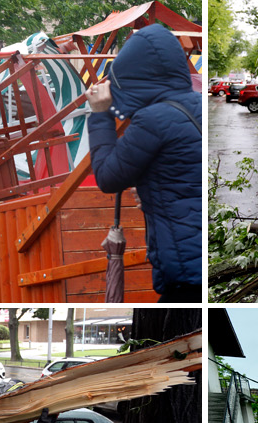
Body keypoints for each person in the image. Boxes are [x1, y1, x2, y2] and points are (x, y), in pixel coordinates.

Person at [85, 25, 201, 303]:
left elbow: (107, 178)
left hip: (185, 267)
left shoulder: (153, 119)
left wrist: (100, 114)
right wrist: (151, 189)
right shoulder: (197, 104)